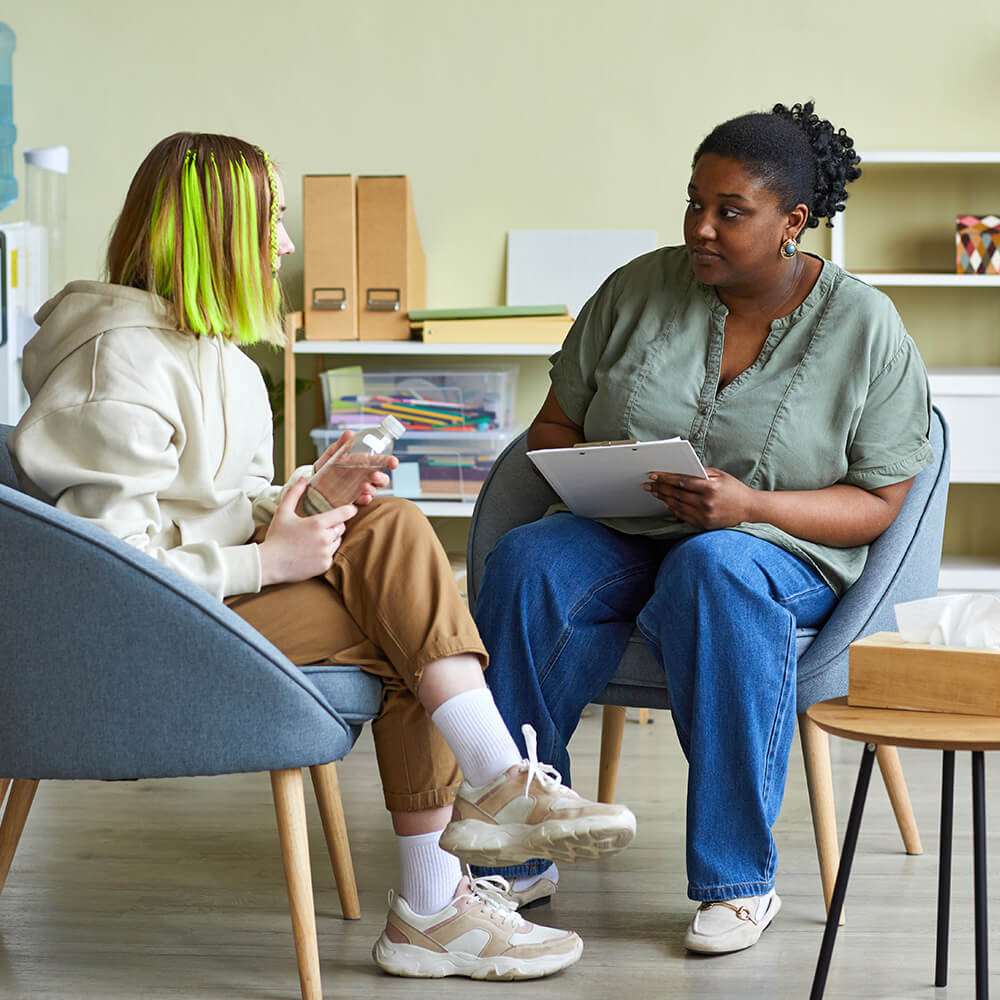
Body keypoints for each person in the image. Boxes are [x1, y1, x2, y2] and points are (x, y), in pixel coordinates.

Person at [6, 132, 637, 980]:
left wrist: (304, 502)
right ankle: (449, 872)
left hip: (208, 604)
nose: (287, 245)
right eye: (270, 221)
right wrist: (269, 563)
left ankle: (469, 839)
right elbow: (108, 570)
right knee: (409, 615)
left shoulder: (220, 357)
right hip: (135, 636)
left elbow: (220, 508)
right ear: (216, 232)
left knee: (400, 574)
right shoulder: (115, 360)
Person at [472, 101, 934, 953]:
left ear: (794, 221)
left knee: (714, 568)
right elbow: (553, 427)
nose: (702, 227)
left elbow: (881, 501)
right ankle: (523, 846)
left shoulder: (865, 325)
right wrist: (593, 479)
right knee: (529, 559)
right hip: (625, 528)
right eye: (694, 202)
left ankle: (737, 880)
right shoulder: (637, 289)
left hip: (781, 547)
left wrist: (750, 507)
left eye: (731, 211)